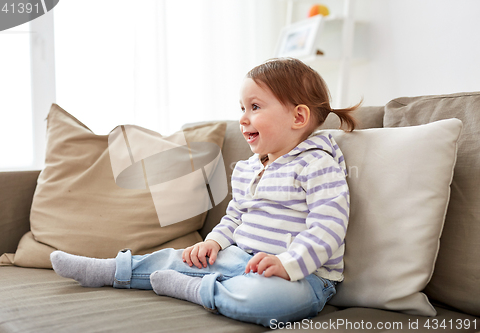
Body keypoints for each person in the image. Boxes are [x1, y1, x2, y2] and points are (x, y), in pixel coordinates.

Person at [51, 57, 360, 327]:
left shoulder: (318, 164)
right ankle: (110, 270)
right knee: (174, 259)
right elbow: (235, 216)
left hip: (304, 277)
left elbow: (328, 227)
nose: (242, 118)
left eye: (255, 107)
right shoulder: (248, 167)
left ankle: (196, 290)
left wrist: (288, 263)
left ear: (298, 117)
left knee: (264, 303)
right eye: (241, 108)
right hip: (240, 259)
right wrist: (214, 241)